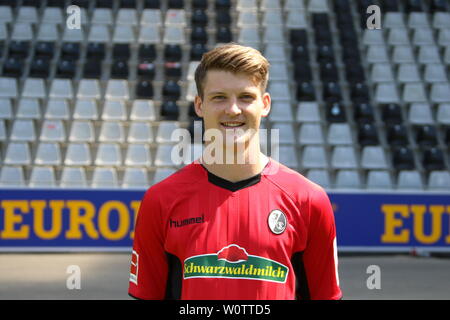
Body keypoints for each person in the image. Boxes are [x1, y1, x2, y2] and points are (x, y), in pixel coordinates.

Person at [128, 43, 342, 300]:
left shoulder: (309, 200)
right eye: (219, 97)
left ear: (265, 104)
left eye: (245, 97)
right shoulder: (160, 200)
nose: (233, 110)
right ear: (199, 105)